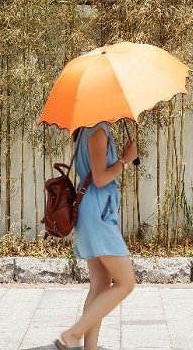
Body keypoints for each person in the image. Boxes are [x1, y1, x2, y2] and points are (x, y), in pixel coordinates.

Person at [55, 121, 138, 350]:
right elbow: (101, 178)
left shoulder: (86, 130)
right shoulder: (98, 132)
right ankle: (74, 333)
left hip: (93, 208)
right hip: (97, 211)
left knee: (100, 285)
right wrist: (125, 159)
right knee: (126, 283)